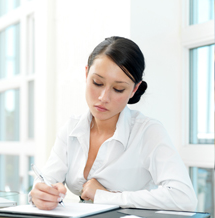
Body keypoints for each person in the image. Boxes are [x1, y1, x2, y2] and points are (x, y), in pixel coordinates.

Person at [29, 36, 197, 211]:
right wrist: (40, 194)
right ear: (86, 74)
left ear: (134, 90)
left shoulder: (147, 132)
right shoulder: (72, 128)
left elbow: (184, 198)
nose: (103, 98)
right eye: (97, 82)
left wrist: (105, 196)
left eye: (118, 89)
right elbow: (46, 181)